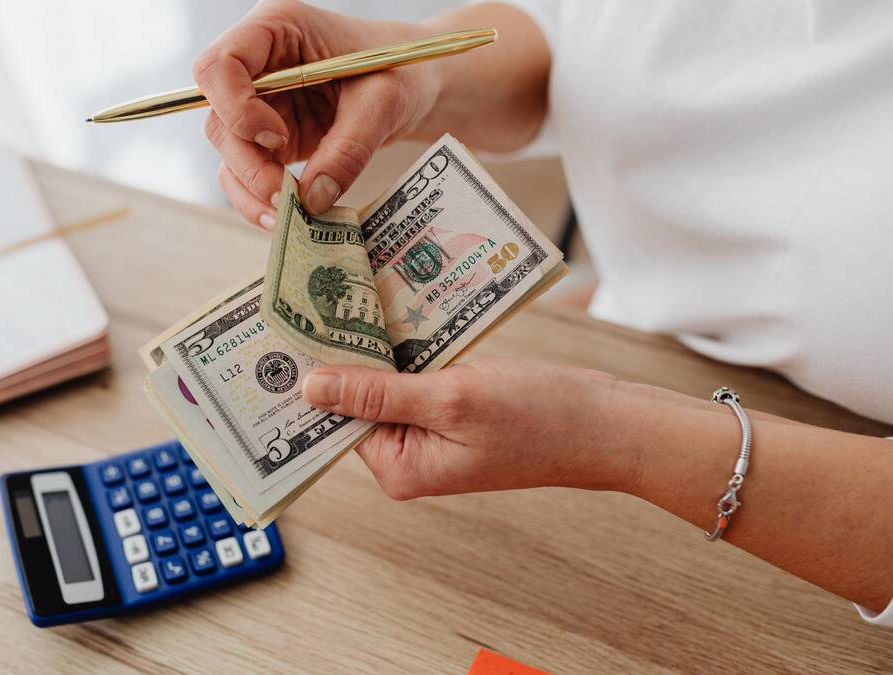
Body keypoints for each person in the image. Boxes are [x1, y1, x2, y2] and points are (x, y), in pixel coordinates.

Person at [191, 0, 893, 624]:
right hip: (632, 355)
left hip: (811, 537)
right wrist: (416, 67)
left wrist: (610, 434)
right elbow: (575, 34)